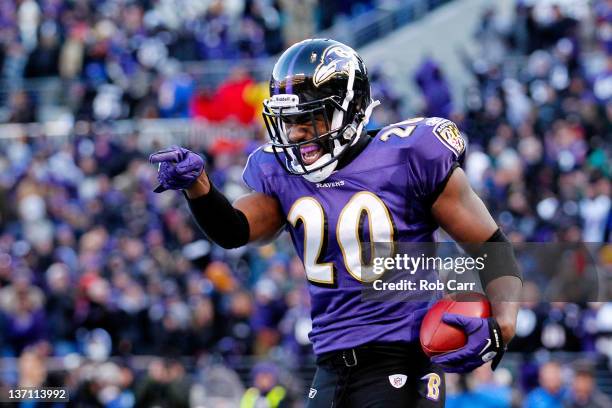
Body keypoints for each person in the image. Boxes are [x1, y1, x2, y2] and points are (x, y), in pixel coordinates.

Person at [150, 38, 522, 407]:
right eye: (288, 121)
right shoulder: (282, 173)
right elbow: (234, 231)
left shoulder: (410, 155)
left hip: (403, 358)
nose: (295, 133)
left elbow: (490, 244)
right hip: (330, 365)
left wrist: (503, 325)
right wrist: (199, 189)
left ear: (349, 108)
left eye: (307, 119)